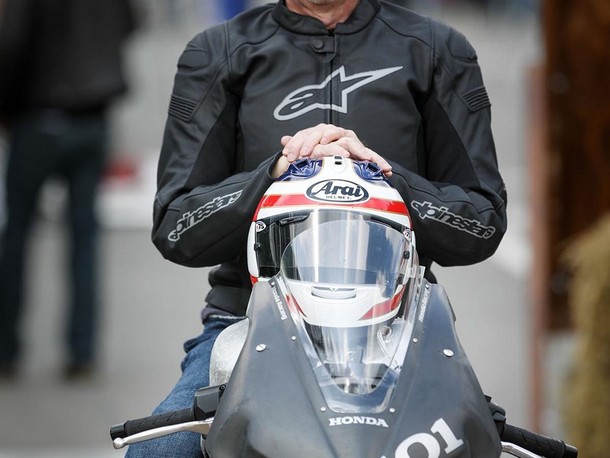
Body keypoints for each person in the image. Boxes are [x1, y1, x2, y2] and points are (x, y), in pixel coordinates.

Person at [126, 0, 507, 455]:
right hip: (249, 320)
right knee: (158, 451)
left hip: (399, 328)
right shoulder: (217, 51)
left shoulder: (437, 50)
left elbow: (483, 221)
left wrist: (385, 177)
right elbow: (175, 224)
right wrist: (274, 174)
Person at [0, 0, 137, 380]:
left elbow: (12, 44)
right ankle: (82, 351)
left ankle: (7, 349)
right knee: (84, 237)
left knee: (18, 234)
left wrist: (5, 107)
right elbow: (129, 24)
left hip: (37, 115)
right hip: (93, 113)